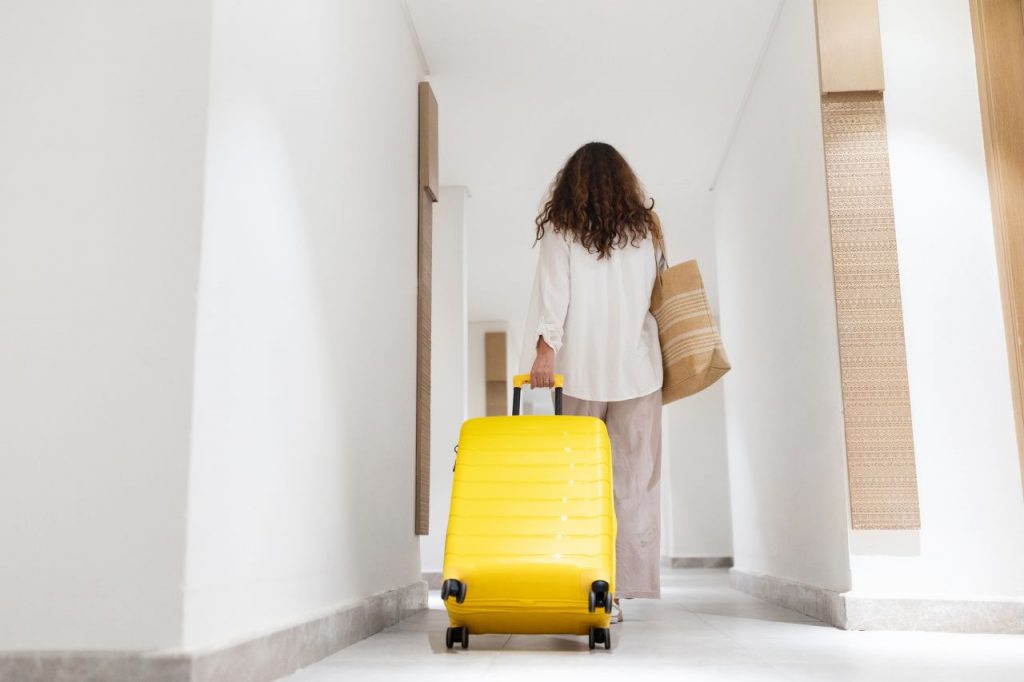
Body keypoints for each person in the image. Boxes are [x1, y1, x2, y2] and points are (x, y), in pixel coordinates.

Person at [521, 141, 664, 623]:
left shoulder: (562, 228)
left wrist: (545, 351)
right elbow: (656, 293)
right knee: (634, 484)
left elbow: (554, 294)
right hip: (638, 373)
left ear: (572, 183)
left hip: (581, 373)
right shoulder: (646, 231)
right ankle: (618, 590)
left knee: (580, 483)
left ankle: (588, 585)